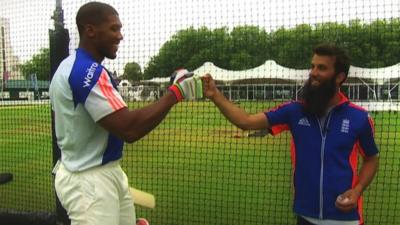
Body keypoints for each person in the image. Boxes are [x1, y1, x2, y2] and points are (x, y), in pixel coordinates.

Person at [49, 2, 202, 225]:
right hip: (89, 183)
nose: (120, 36)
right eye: (114, 29)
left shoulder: (68, 66)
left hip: (101, 172)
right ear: (90, 30)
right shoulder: (87, 72)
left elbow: (60, 121)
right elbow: (129, 128)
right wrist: (175, 93)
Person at [203, 44, 379, 225]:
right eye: (312, 66)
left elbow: (371, 158)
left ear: (339, 77)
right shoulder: (294, 111)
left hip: (346, 219)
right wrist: (215, 95)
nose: (313, 73)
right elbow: (246, 121)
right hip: (305, 217)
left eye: (322, 68)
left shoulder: (359, 117)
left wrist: (357, 190)